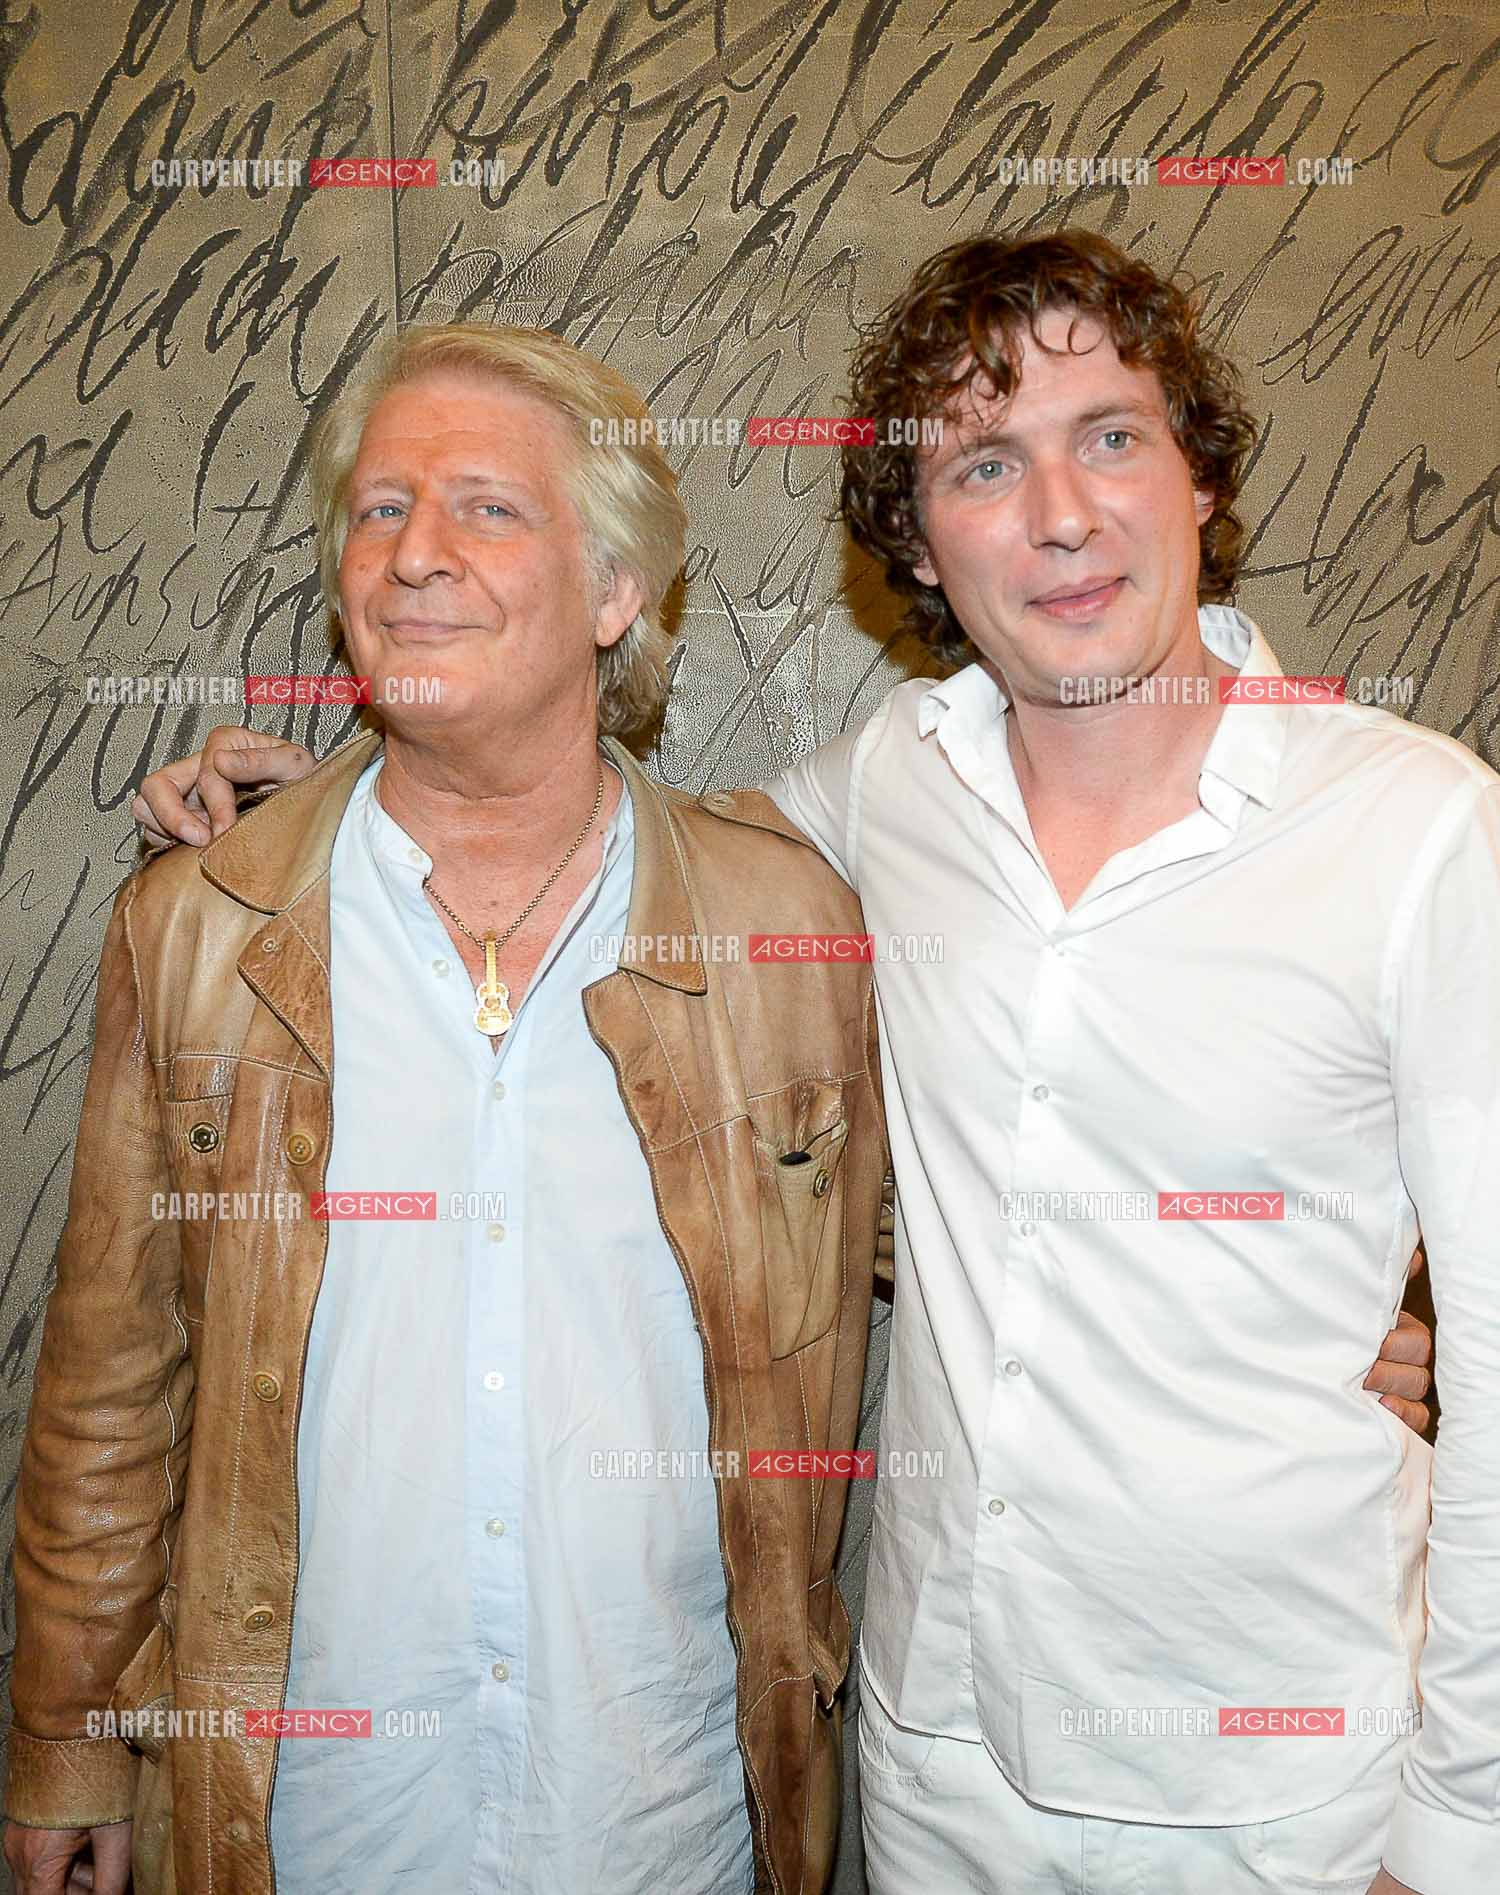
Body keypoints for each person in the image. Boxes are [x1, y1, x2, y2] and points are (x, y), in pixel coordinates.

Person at [114, 245, 1445, 1895]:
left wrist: (1457, 1828)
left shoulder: (1419, 825)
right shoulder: (894, 788)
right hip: (943, 1762)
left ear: (1203, 475)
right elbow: (581, 835)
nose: (1058, 513)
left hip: (1293, 1781)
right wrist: (336, 813)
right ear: (922, 543)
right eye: (981, 462)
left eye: (1111, 437)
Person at [3, 322, 891, 1895]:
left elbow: (966, 1240)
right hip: (305, 1819)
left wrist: (1379, 1316)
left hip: (666, 1813)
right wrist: (68, 1739)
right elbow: (108, 1390)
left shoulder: (785, 934)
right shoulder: (199, 926)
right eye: (378, 508)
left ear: (618, 594)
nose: (414, 553)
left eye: (487, 506)